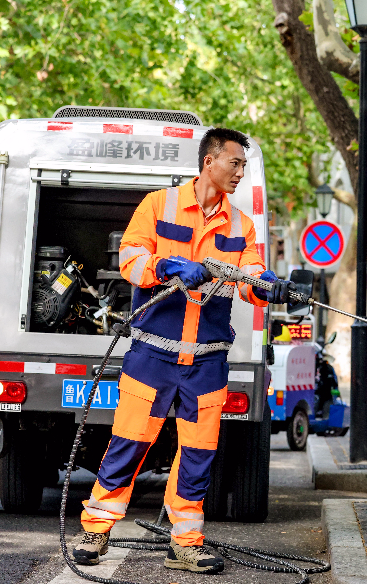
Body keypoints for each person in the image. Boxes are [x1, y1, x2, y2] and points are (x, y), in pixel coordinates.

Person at [72, 128, 292, 573]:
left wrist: (269, 287)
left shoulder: (240, 225)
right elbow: (130, 260)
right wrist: (168, 266)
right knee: (128, 445)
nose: (240, 172)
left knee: (198, 453)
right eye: (236, 163)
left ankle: (186, 543)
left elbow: (250, 278)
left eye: (244, 166)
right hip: (152, 356)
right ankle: (96, 530)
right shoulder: (158, 205)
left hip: (207, 361)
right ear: (210, 161)